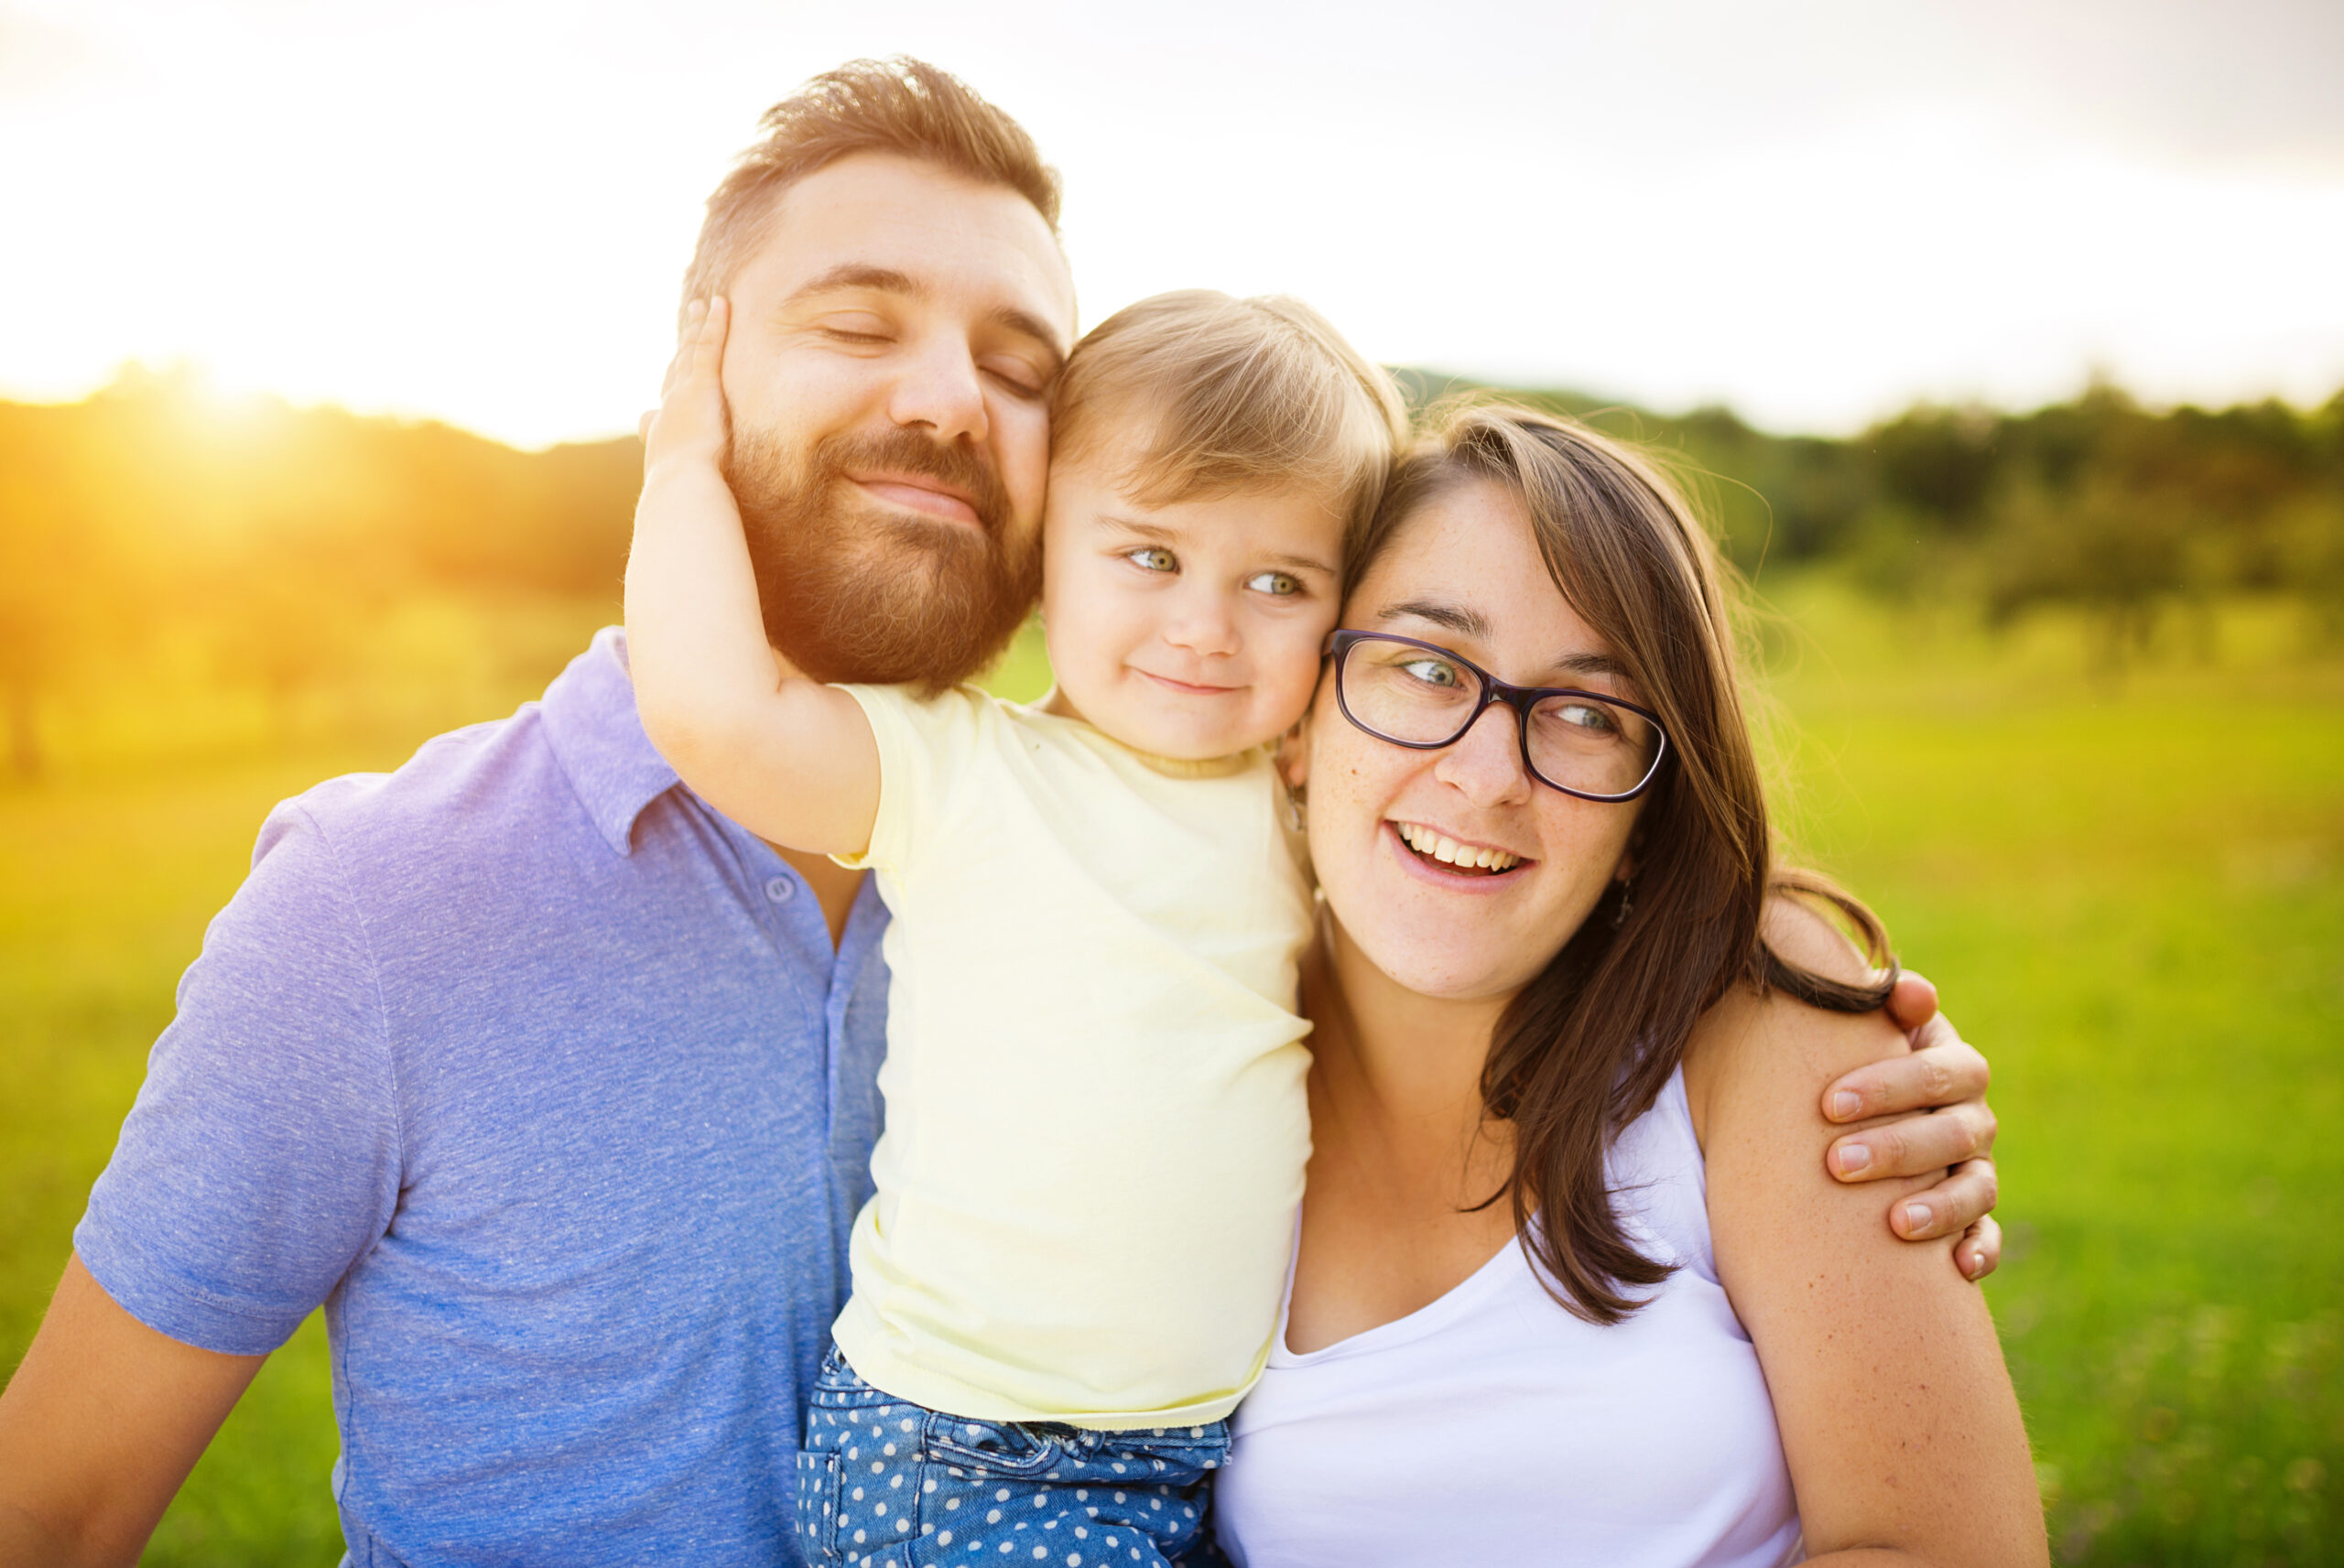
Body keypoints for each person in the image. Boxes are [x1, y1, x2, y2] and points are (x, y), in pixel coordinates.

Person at [0, 59, 2002, 1568]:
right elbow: (59, 1500)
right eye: (857, 322)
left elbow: (1532, 880)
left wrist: (1832, 1063)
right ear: (690, 378)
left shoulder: (1268, 854)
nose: (948, 397)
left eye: (1018, 361)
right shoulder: (385, 901)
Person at [627, 277, 1408, 1566]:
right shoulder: (967, 772)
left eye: (1277, 581)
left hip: (1196, 1451)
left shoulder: (1299, 803)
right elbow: (720, 713)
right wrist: (683, 470)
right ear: (1042, 549)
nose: (1204, 628)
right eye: (1150, 556)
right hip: (972, 1450)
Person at [1211, 403, 2043, 1566]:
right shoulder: (1189, 1048)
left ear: (1656, 794)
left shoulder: (1753, 1015)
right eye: (1425, 666)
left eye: (1588, 713)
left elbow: (1947, 1549)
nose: (1489, 774)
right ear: (1300, 718)